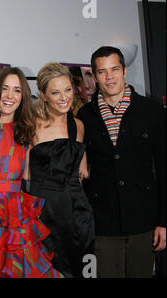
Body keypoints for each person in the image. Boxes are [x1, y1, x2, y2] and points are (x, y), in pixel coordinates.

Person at [0, 67, 63, 278]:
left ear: (23, 96)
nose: (10, 96)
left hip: (15, 217)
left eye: (16, 90)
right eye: (4, 89)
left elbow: (28, 175)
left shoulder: (28, 130)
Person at [76, 46, 166, 278]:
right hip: (103, 225)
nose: (110, 77)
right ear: (94, 77)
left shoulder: (153, 112)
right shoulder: (84, 116)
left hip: (144, 221)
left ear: (125, 70)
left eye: (115, 69)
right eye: (103, 72)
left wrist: (164, 222)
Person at [28, 62, 95, 277]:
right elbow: (23, 174)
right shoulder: (31, 125)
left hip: (78, 213)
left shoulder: (79, 125)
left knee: (84, 271)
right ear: (43, 95)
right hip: (43, 215)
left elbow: (82, 172)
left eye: (68, 90)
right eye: (55, 92)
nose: (65, 97)